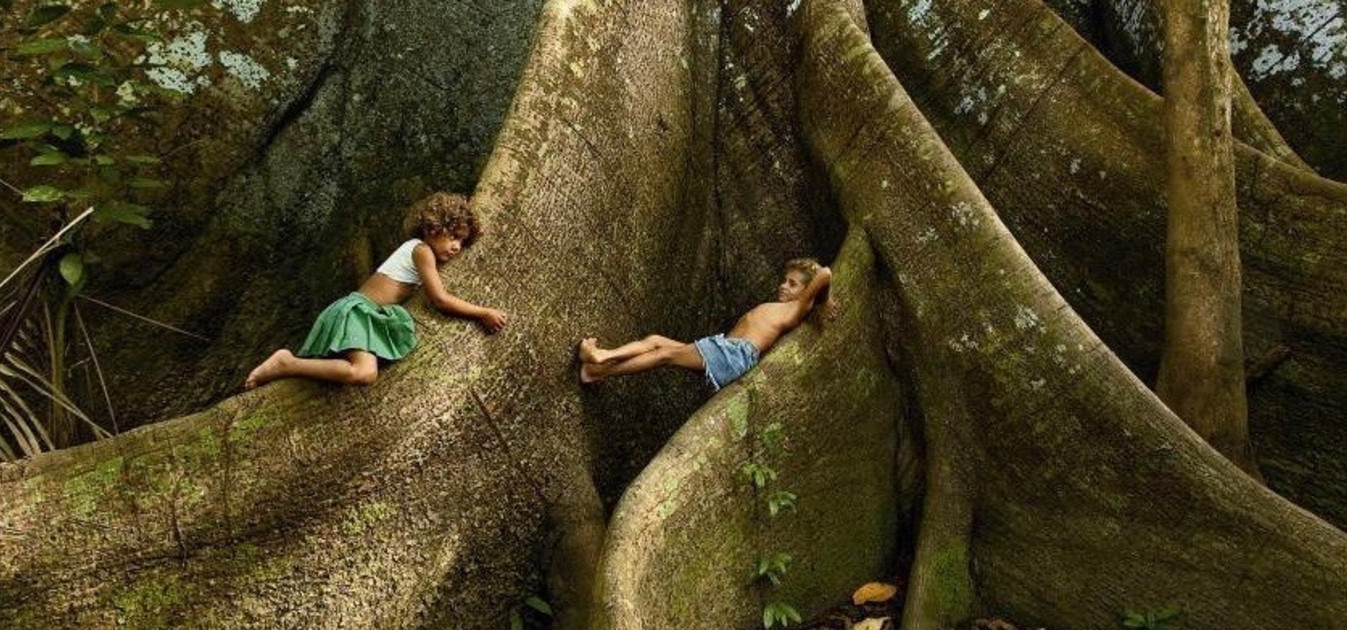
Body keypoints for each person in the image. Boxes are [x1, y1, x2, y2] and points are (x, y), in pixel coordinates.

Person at [245, 192, 508, 389]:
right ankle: (286, 363)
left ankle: (289, 365)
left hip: (361, 313)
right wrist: (482, 312)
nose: (456, 247)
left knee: (357, 373)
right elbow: (440, 299)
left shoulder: (419, 250)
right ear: (431, 228)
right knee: (364, 373)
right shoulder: (421, 250)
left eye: (462, 240)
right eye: (452, 236)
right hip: (356, 312)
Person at [577, 258, 834, 390]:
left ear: (806, 294)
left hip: (734, 355)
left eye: (793, 284)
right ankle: (599, 365)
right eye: (784, 280)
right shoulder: (781, 308)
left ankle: (599, 364)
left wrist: (824, 300)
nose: (783, 285)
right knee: (657, 341)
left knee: (664, 355)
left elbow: (825, 273)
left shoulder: (795, 309)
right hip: (725, 348)